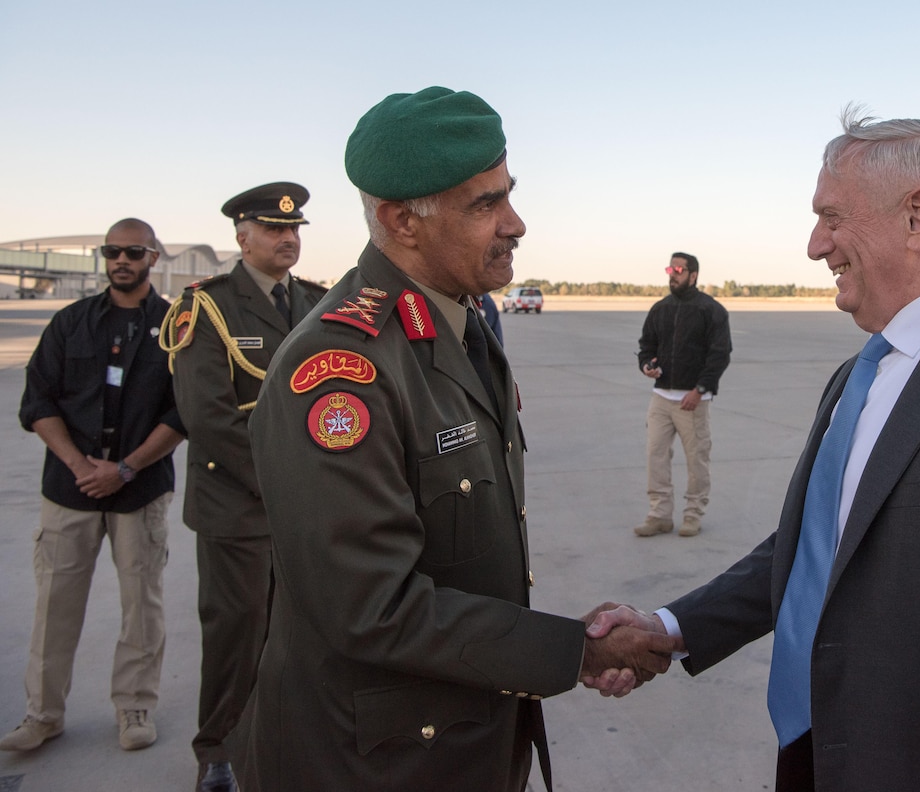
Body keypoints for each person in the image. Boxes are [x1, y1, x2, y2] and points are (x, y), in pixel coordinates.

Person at [588, 109, 920, 790]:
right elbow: (817, 548)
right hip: (817, 754)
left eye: (832, 217)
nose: (816, 245)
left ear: (918, 217)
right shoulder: (856, 375)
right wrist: (671, 625)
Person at [232, 87, 674, 792]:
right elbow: (370, 607)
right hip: (374, 763)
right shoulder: (340, 372)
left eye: (509, 195)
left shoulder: (457, 327)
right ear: (401, 220)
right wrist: (573, 652)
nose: (516, 223)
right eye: (483, 205)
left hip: (461, 738)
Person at [160, 182, 327, 792]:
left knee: (301, 629)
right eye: (273, 229)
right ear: (241, 236)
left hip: (306, 505)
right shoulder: (204, 306)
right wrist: (286, 484)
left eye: (295, 230)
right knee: (237, 631)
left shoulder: (313, 300)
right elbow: (208, 417)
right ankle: (218, 752)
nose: (288, 238)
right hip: (240, 505)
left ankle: (281, 740)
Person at [4, 219, 185, 753]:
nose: (121, 260)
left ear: (153, 257)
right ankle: (43, 714)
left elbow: (184, 410)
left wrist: (125, 468)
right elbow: (37, 401)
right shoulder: (70, 323)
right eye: (112, 251)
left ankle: (135, 708)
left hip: (139, 490)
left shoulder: (176, 327)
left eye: (133, 251)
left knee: (141, 605)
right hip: (69, 489)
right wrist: (80, 466)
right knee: (54, 604)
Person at [634, 252, 731, 537]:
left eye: (678, 269)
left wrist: (700, 390)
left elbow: (720, 355)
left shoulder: (711, 310)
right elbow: (646, 346)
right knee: (656, 457)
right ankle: (660, 515)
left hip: (693, 401)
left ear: (693, 275)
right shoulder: (660, 309)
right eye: (670, 268)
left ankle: (693, 514)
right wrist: (646, 365)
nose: (672, 273)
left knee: (696, 460)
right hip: (662, 398)